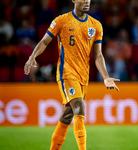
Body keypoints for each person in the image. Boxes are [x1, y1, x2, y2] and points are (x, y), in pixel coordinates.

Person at [24, 0, 120, 150]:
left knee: (67, 116)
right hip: (66, 73)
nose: (87, 1)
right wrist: (32, 57)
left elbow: (98, 55)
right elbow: (44, 42)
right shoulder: (61, 20)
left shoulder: (96, 25)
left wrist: (106, 76)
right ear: (74, 0)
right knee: (79, 108)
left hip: (84, 76)